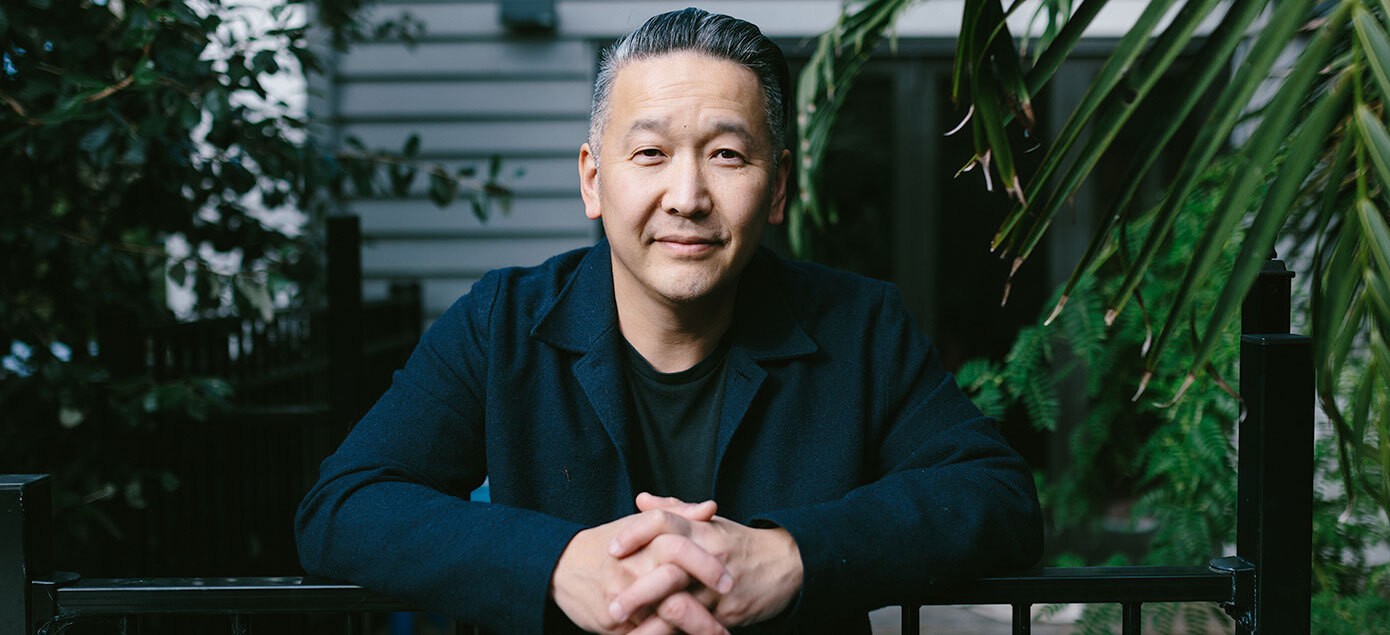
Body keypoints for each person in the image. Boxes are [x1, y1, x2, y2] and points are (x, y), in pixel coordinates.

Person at [295, 8, 1042, 634]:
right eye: (650, 152)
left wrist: (792, 555)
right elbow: (344, 504)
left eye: (726, 154)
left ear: (777, 186)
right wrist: (555, 564)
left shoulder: (859, 326)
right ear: (594, 178)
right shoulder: (502, 323)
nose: (687, 195)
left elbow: (997, 496)